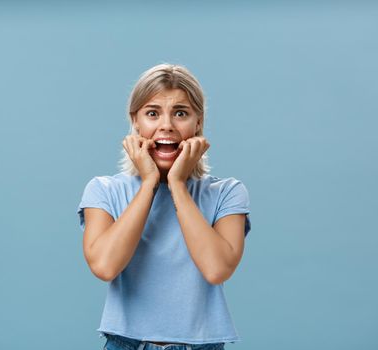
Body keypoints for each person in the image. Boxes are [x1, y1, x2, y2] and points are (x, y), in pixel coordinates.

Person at [77, 63, 251, 350]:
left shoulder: (228, 193)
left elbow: (216, 269)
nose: (166, 124)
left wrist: (178, 185)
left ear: (198, 121)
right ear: (135, 121)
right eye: (152, 113)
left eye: (180, 113)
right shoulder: (104, 190)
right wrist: (148, 183)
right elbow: (105, 266)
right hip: (126, 344)